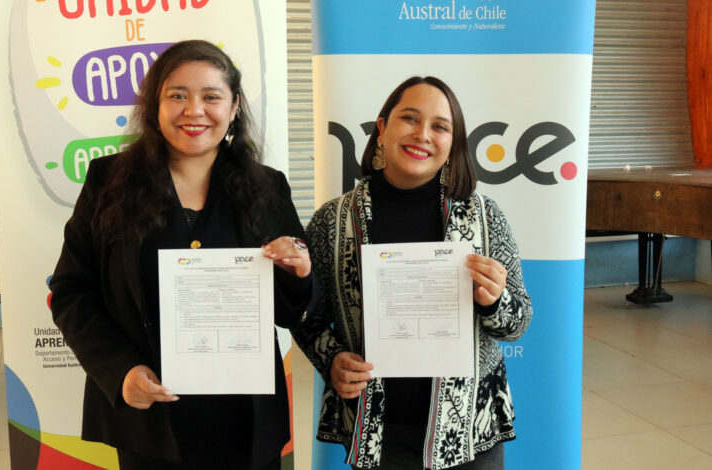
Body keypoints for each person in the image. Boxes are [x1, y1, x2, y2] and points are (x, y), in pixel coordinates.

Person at [49, 40, 313, 470]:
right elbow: (71, 291)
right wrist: (120, 371)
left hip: (245, 418)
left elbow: (289, 310)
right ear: (155, 105)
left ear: (234, 106)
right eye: (177, 95)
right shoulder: (108, 181)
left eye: (211, 96)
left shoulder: (268, 187)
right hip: (150, 418)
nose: (194, 111)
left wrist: (299, 273)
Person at [291, 76, 532, 469]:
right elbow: (306, 316)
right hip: (377, 431)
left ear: (453, 144)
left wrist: (494, 301)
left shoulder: (484, 218)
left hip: (469, 433)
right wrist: (332, 360)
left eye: (440, 126)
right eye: (410, 118)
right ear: (382, 128)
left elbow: (518, 322)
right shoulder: (333, 221)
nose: (423, 134)